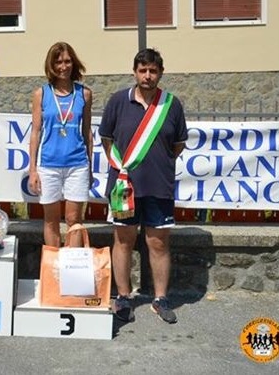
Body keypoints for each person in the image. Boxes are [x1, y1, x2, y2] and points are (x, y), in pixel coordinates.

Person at [99, 48, 187, 324]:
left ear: (161, 73)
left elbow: (178, 144)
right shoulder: (118, 101)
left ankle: (160, 299)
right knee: (123, 240)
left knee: (158, 242)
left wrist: (157, 163)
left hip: (159, 186)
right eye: (143, 70)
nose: (147, 76)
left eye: (153, 71)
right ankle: (124, 296)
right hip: (123, 187)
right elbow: (106, 139)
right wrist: (123, 167)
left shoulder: (171, 105)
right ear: (135, 72)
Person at [28, 42, 93, 247]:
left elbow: (87, 132)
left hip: (77, 164)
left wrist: (90, 167)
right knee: (51, 220)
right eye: (58, 62)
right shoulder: (41, 94)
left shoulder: (84, 94)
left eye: (67, 61)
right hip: (49, 164)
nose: (63, 67)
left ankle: (72, 263)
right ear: (51, 65)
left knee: (74, 219)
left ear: (73, 63)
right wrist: (32, 169)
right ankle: (54, 263)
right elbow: (35, 132)